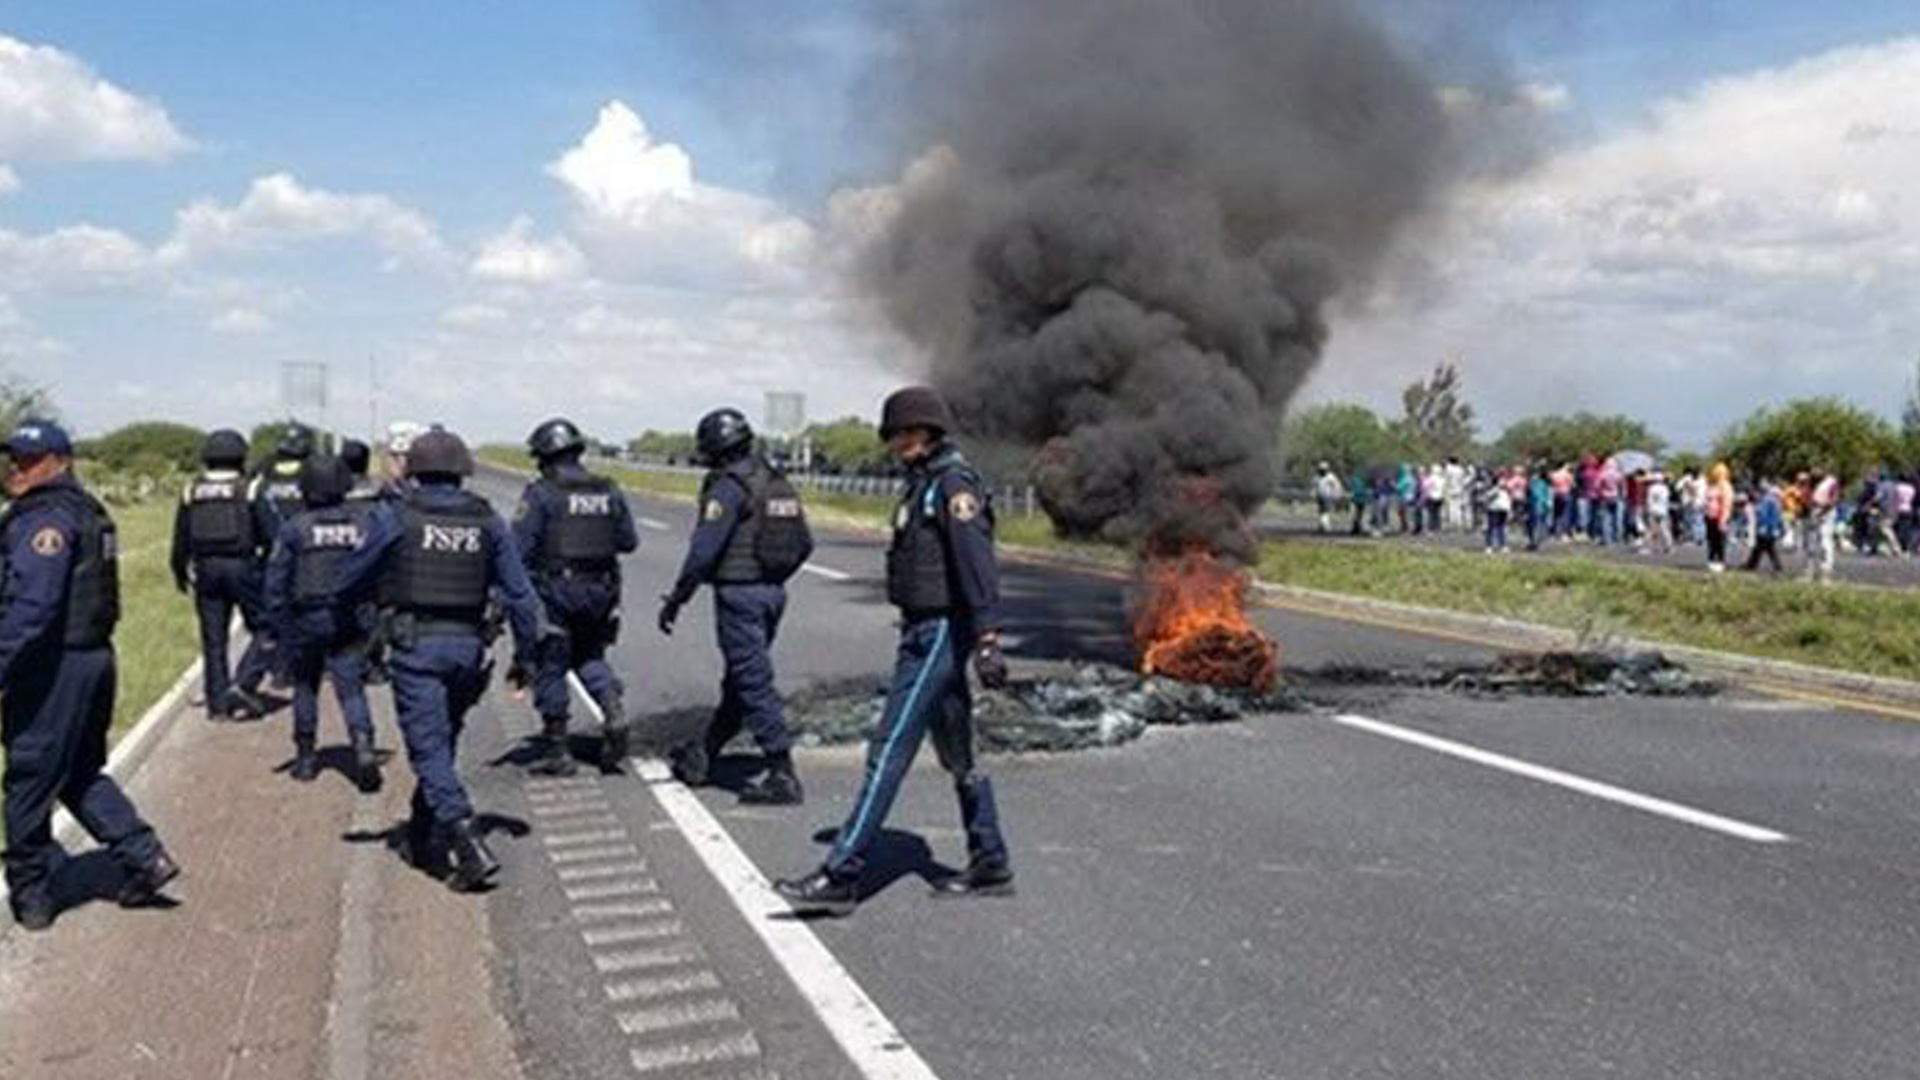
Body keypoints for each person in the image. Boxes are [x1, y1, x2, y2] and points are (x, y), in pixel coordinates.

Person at [775, 387, 1012, 915]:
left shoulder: (952, 485)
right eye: (894, 434)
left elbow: (976, 566)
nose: (898, 442)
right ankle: (990, 859)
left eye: (908, 432)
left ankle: (841, 874)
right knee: (960, 756)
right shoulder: (921, 484)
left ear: (931, 431)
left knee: (888, 749)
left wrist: (988, 637)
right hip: (922, 630)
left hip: (938, 635)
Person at [328, 429, 544, 892]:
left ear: (416, 469)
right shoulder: (486, 519)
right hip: (470, 651)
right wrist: (526, 658)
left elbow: (347, 577)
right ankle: (423, 833)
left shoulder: (397, 516)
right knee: (441, 749)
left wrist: (357, 623)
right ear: (462, 471)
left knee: (429, 752)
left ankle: (467, 845)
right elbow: (523, 598)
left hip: (417, 652)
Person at [2, 420, 180, 931]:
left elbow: (32, 607)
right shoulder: (88, 510)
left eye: (28, 459)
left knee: (29, 779)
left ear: (60, 460)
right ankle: (145, 856)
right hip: (91, 660)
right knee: (79, 772)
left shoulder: (48, 521)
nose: (17, 468)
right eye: (14, 459)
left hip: (52, 667)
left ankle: (32, 894)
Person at [660, 408, 814, 805]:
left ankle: (782, 773)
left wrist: (678, 597)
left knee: (751, 680)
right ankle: (706, 754)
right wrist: (772, 578)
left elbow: (703, 550)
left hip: (740, 595)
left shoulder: (729, 486)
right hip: (773, 593)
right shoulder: (777, 482)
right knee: (740, 682)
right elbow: (805, 544)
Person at [514, 417, 639, 777]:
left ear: (545, 457)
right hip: (601, 591)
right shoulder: (608, 489)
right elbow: (628, 541)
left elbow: (518, 548)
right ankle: (612, 711)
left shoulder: (541, 493)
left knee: (552, 663)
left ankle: (557, 750)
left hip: (557, 591)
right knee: (589, 656)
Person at [262, 455, 381, 790]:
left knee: (305, 686)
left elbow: (276, 582)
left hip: (305, 620)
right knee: (351, 688)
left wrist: (276, 627)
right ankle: (363, 745)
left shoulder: (293, 528)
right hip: (349, 618)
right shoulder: (363, 524)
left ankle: (305, 759)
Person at [169, 428, 274, 720]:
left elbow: (180, 537)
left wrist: (179, 571)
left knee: (213, 641)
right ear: (241, 456)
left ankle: (217, 707)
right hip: (243, 568)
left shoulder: (191, 490)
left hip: (205, 571)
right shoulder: (249, 489)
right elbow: (270, 535)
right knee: (268, 627)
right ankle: (244, 682)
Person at [1805, 469, 1840, 583]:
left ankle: (1826, 571)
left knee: (1825, 542)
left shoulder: (1831, 482)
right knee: (1811, 543)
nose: (1814, 473)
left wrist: (1823, 509)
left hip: (1827, 513)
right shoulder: (1812, 481)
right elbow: (1808, 496)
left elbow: (1834, 499)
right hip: (1814, 511)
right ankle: (1810, 571)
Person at [1743, 479, 1785, 573]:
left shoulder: (1770, 500)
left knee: (1766, 549)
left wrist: (1770, 528)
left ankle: (1777, 566)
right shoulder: (1765, 499)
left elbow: (1773, 516)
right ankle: (1752, 565)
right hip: (1765, 528)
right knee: (1763, 549)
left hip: (1766, 529)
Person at [1704, 462, 1735, 573]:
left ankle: (1720, 561)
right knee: (1711, 539)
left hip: (1720, 517)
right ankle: (1711, 560)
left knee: (1719, 540)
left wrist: (1723, 519)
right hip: (1709, 516)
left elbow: (1727, 504)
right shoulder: (1711, 485)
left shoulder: (1726, 486)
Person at [1644, 471, 1673, 555]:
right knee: (1665, 529)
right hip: (1663, 510)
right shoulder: (1665, 488)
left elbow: (1649, 500)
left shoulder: (1651, 488)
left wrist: (1647, 509)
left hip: (1653, 509)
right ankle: (1669, 546)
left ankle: (1649, 547)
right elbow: (1666, 499)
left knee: (1651, 529)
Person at [1483, 470, 1512, 553]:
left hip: (1499, 509)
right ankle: (1490, 546)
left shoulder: (1503, 490)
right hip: (1495, 509)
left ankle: (1500, 546)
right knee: (1494, 528)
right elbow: (1487, 498)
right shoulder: (1496, 489)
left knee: (1499, 528)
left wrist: (1509, 510)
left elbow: (1508, 500)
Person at [1312, 463, 1341, 534]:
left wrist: (1336, 494)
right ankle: (1322, 526)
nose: (1322, 471)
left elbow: (1337, 485)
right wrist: (1314, 493)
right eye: (1321, 470)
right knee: (1322, 511)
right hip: (1320, 496)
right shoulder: (1317, 477)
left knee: (1324, 511)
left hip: (1327, 496)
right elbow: (1314, 486)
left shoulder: (1330, 477)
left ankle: (1325, 526)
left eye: (1324, 470)